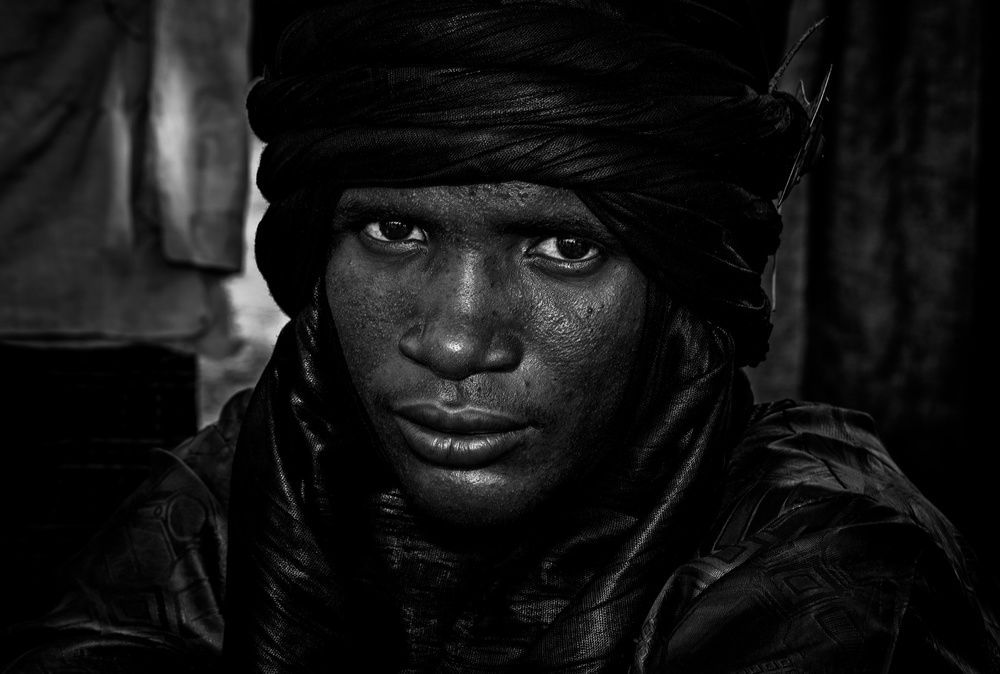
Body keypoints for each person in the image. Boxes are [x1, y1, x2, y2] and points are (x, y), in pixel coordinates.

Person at [2, 0, 997, 672]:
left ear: (681, 287)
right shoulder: (240, 491)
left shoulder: (826, 569)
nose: (455, 341)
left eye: (565, 245)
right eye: (394, 231)